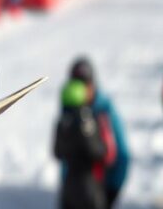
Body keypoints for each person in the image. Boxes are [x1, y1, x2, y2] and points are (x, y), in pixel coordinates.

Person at [63, 58, 130, 207]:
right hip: (71, 189)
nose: (80, 90)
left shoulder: (104, 109)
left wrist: (111, 191)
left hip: (97, 189)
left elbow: (122, 154)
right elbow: (63, 154)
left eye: (85, 84)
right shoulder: (69, 109)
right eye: (76, 84)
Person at [54, 78, 112, 209]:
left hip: (68, 185)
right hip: (89, 186)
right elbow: (99, 152)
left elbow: (56, 152)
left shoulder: (62, 122)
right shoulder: (87, 121)